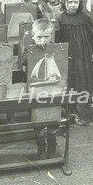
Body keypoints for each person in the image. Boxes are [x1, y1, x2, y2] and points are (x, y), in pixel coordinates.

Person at [55, 0, 93, 125]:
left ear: (79, 3)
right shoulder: (60, 19)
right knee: (70, 83)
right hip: (68, 56)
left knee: (83, 82)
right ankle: (69, 112)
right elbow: (57, 39)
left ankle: (82, 113)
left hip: (83, 56)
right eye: (70, 2)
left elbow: (92, 37)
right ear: (64, 3)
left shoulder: (85, 18)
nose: (73, 5)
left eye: (75, 2)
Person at [20, 18, 60, 158]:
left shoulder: (56, 48)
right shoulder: (29, 48)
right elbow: (23, 61)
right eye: (39, 37)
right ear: (33, 35)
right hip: (35, 89)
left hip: (52, 88)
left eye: (46, 36)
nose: (43, 40)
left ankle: (52, 148)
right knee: (37, 122)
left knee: (53, 120)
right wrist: (35, 49)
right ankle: (41, 148)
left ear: (51, 36)